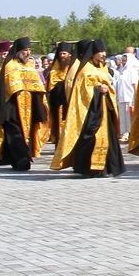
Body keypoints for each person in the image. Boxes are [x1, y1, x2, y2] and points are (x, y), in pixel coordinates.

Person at [51, 38, 125, 177]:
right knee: (90, 139)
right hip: (90, 111)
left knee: (108, 139)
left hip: (103, 109)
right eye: (100, 52)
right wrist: (98, 90)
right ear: (93, 53)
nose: (103, 54)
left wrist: (106, 90)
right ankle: (90, 168)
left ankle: (106, 167)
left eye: (104, 51)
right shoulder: (86, 70)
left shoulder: (101, 68)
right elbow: (83, 91)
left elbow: (108, 86)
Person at [0, 37, 50, 170]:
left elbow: (37, 86)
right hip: (13, 106)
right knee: (15, 132)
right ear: (18, 51)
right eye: (25, 50)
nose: (28, 53)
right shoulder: (10, 65)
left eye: (29, 50)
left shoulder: (29, 66)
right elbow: (5, 88)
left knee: (24, 134)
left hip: (30, 105)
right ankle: (21, 159)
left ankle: (12, 158)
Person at [46, 42, 74, 144]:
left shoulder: (74, 68)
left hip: (71, 102)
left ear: (70, 55)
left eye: (64, 54)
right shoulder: (54, 70)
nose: (62, 56)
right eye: (60, 54)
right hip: (58, 103)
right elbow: (50, 88)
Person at [113, 54, 138, 141]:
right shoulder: (122, 71)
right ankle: (124, 134)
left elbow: (134, 84)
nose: (123, 62)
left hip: (129, 97)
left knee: (129, 117)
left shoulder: (132, 71)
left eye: (125, 60)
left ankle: (131, 134)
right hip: (121, 97)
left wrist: (136, 97)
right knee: (123, 117)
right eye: (122, 60)